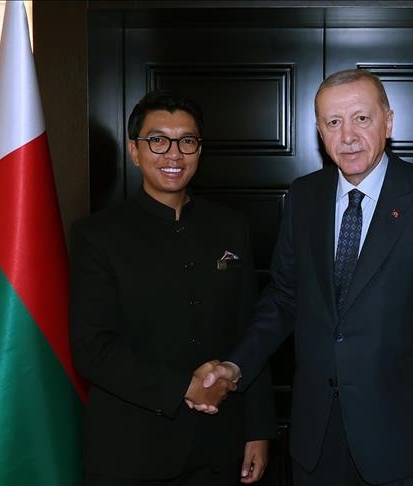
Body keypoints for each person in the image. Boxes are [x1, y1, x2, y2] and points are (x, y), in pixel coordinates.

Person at [193, 69, 413, 485]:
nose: (348, 136)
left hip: (401, 435)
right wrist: (236, 365)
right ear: (319, 130)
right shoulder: (303, 195)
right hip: (317, 435)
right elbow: (284, 296)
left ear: (388, 122)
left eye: (361, 118)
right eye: (333, 122)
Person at [69, 89, 275, 485]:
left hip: (218, 448)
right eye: (158, 140)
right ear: (135, 150)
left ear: (199, 149)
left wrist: (258, 429)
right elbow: (92, 349)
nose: (174, 154)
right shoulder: (97, 236)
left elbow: (251, 331)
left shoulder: (231, 227)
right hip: (130, 452)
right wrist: (185, 387)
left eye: (187, 141)